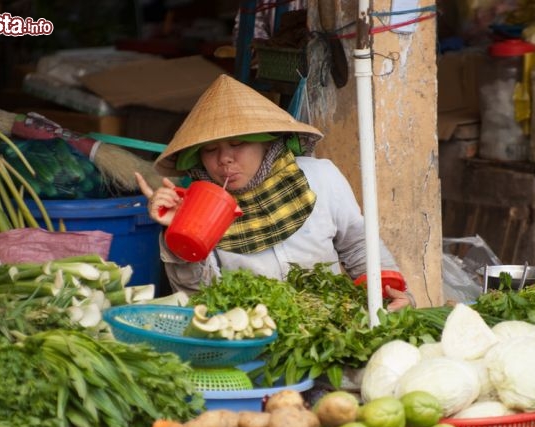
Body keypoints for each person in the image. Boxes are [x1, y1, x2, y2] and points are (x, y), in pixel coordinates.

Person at [135, 74, 414, 312]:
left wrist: (387, 291)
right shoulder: (197, 207)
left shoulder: (321, 177)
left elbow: (357, 244)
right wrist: (183, 232)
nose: (224, 159)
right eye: (210, 150)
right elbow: (200, 300)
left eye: (237, 143)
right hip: (251, 340)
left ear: (267, 144)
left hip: (331, 324)